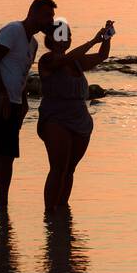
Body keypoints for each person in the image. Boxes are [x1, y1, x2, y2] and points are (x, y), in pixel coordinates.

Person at [0, 0, 58, 211]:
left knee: (9, 156)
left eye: (51, 17)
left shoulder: (33, 44)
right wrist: (4, 95)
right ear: (33, 13)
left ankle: (3, 203)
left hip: (14, 102)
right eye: (47, 16)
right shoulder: (13, 30)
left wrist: (23, 101)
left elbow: (22, 74)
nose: (49, 21)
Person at [36, 18, 113, 214]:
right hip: (56, 119)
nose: (65, 39)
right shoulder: (47, 60)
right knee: (58, 168)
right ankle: (49, 213)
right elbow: (64, 59)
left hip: (81, 120)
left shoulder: (77, 61)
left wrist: (106, 36)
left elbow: (103, 55)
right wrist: (92, 40)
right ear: (50, 39)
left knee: (70, 169)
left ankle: (62, 210)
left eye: (68, 35)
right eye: (60, 35)